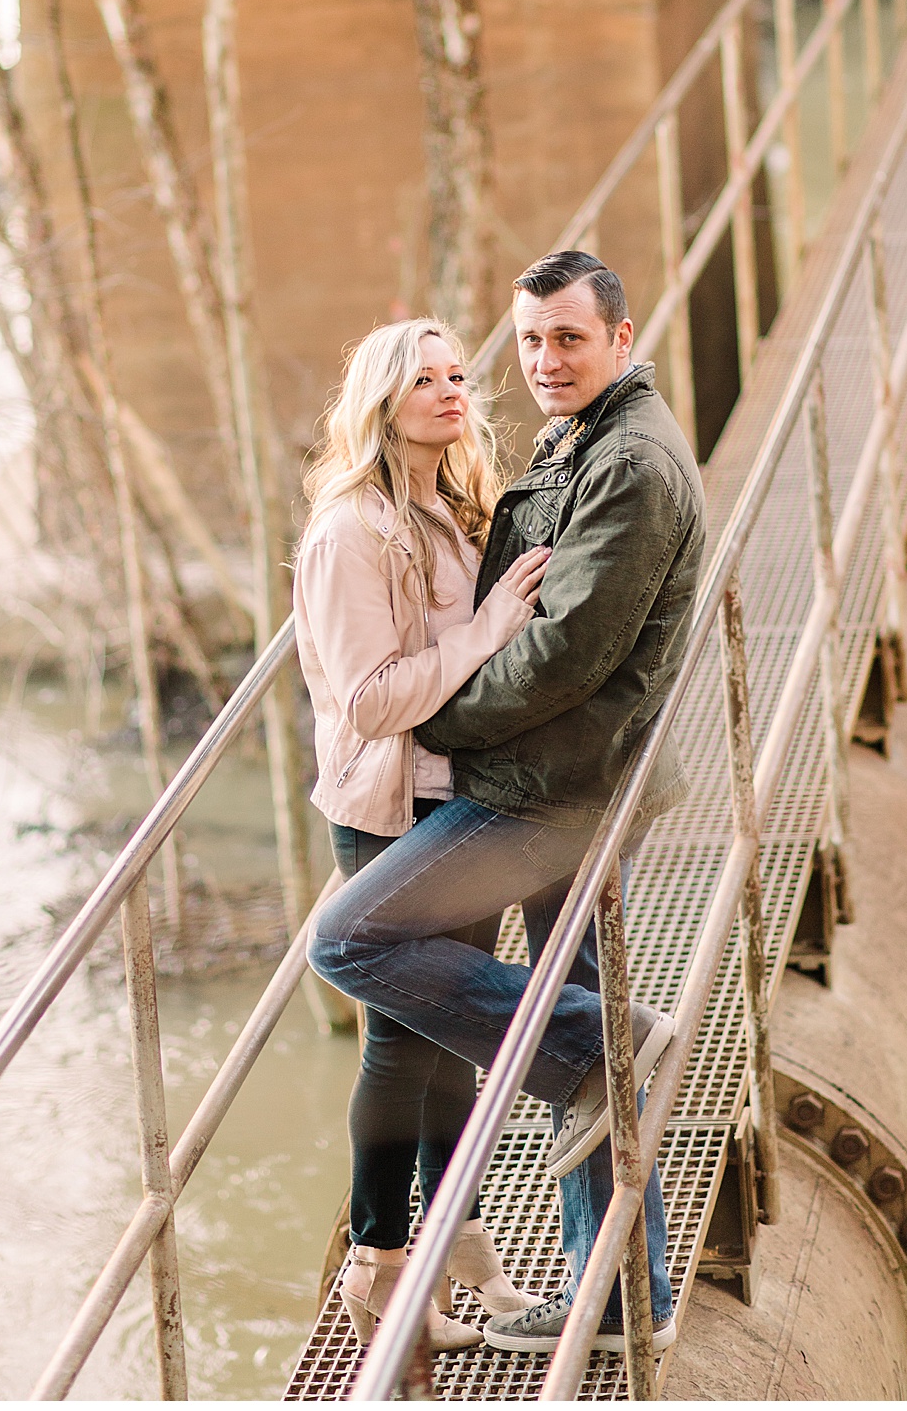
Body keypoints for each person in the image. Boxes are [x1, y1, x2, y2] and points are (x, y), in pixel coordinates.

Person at [310, 250, 705, 1356]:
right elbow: (404, 662)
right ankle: (618, 1292)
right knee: (494, 1039)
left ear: (621, 338)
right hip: (533, 774)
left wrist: (439, 719)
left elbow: (560, 657)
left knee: (351, 941)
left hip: (550, 783)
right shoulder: (561, 445)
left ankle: (592, 1054)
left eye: (569, 338)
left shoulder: (626, 463)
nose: (542, 360)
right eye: (529, 341)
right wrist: (450, 679)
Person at [294, 317, 552, 1351]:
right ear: (380, 400)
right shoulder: (350, 530)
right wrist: (487, 631)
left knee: (453, 1040)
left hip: (466, 796)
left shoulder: (457, 501)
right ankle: (379, 1267)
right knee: (404, 1041)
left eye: (458, 375)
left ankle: (461, 1248)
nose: (452, 392)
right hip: (394, 807)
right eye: (425, 380)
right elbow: (365, 701)